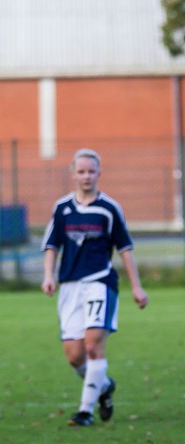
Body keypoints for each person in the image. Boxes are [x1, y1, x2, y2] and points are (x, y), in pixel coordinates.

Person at [41, 148, 149, 427]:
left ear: (99, 174)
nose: (86, 176)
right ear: (73, 174)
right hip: (69, 286)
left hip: (100, 282)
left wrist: (137, 287)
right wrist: (48, 276)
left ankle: (85, 411)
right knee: (74, 355)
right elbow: (52, 245)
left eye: (91, 171)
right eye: (81, 171)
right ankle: (104, 386)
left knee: (93, 345)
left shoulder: (109, 209)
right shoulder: (62, 208)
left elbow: (125, 249)